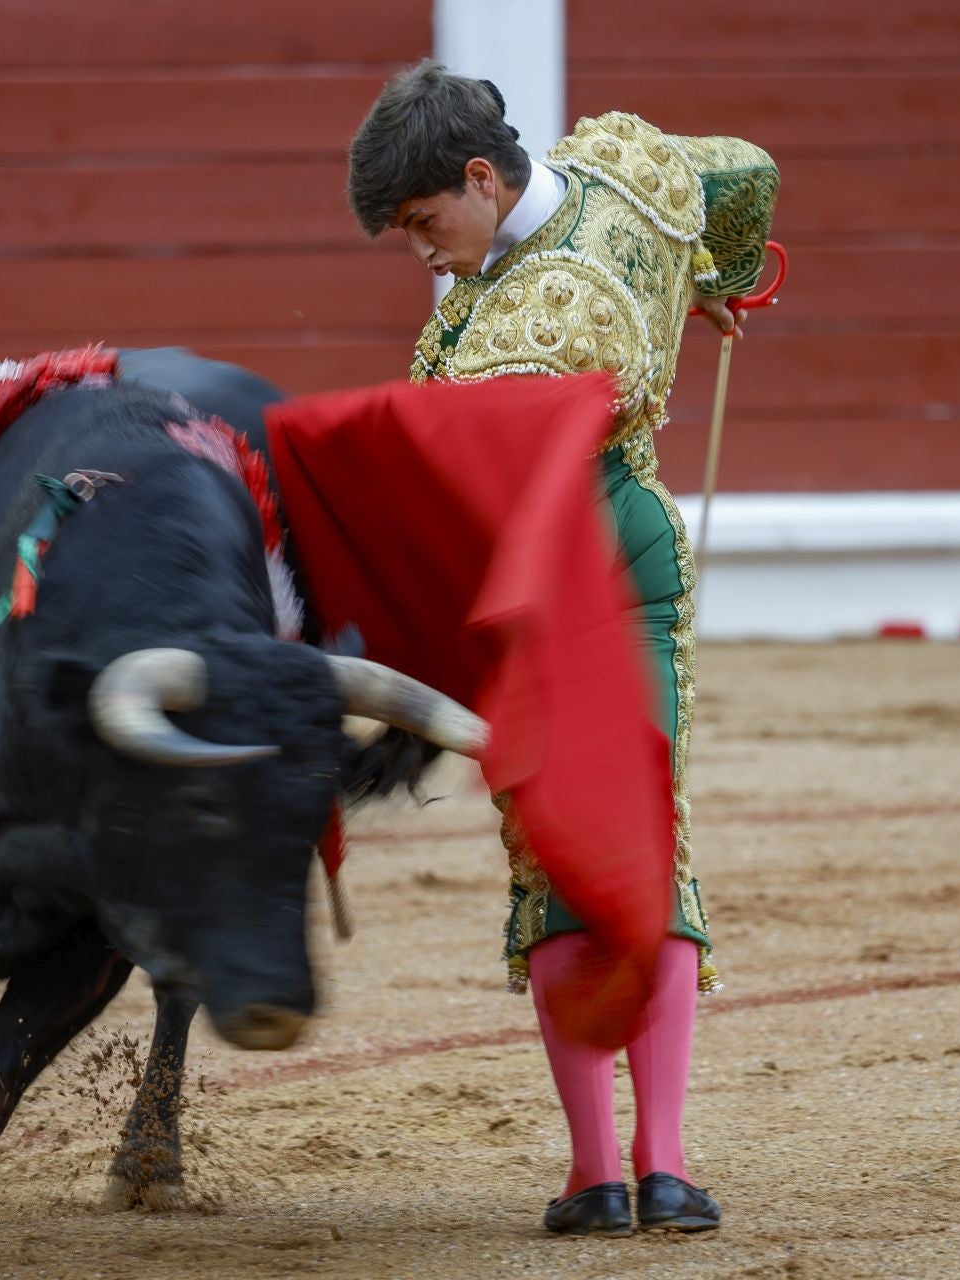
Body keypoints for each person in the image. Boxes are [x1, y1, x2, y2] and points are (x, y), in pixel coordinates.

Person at [345, 60, 778, 1236]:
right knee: (643, 825)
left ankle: (617, 1167)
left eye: (428, 222)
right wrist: (713, 278)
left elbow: (461, 493)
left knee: (565, 849)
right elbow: (745, 176)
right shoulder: (627, 171)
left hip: (545, 572)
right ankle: (651, 1165)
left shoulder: (527, 330)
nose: (425, 252)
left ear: (481, 178)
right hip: (633, 543)